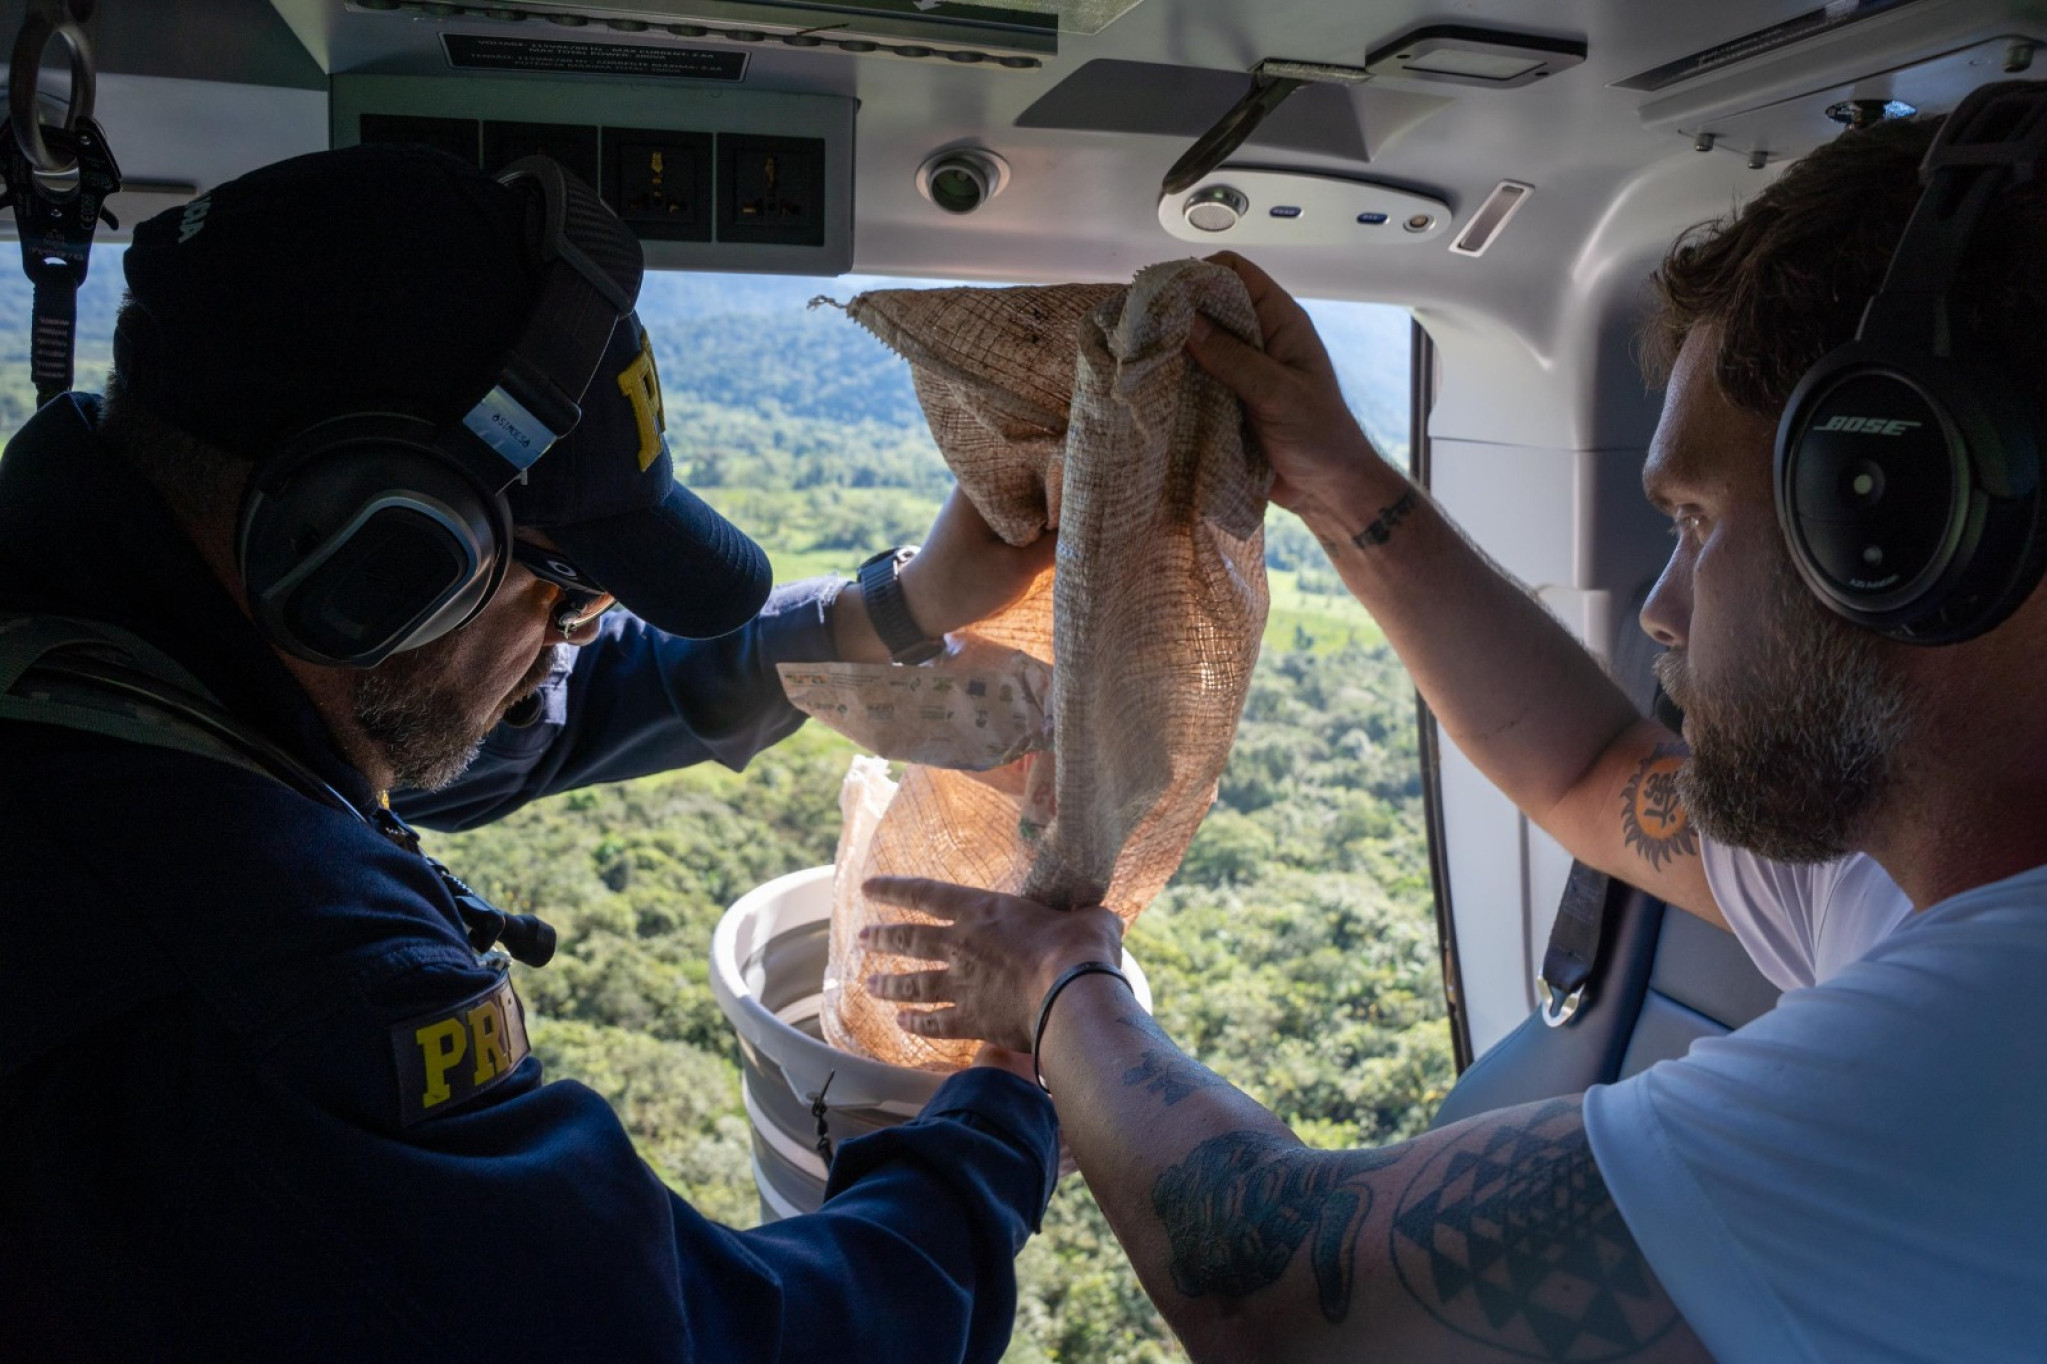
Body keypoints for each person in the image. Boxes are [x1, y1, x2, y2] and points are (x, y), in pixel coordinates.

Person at [862, 104, 2047, 1360]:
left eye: (1696, 521)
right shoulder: (1893, 858)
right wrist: (1332, 475)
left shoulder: (1995, 1049)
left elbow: (1290, 1299)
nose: (1659, 605)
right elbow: (1592, 770)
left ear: (1889, 524)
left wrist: (1059, 980)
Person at [0, 144, 1060, 1359]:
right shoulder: (272, 979)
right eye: (563, 589)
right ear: (377, 562)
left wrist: (893, 609)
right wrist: (1004, 1108)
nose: (577, 633)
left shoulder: (112, 667)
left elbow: (492, 737)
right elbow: (714, 1342)